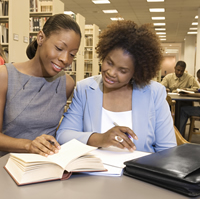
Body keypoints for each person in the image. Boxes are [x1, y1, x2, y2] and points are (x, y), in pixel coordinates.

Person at [56, 20, 177, 153]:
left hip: (138, 171)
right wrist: (100, 138)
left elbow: (167, 149)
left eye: (123, 71)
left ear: (136, 72)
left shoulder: (154, 93)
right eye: (109, 62)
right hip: (93, 170)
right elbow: (63, 135)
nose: (111, 73)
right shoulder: (85, 89)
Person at [0, 14, 81, 163]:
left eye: (72, 55)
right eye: (59, 48)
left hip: (46, 162)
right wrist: (29, 145)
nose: (65, 59)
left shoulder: (66, 83)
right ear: (41, 38)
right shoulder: (3, 75)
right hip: (6, 161)